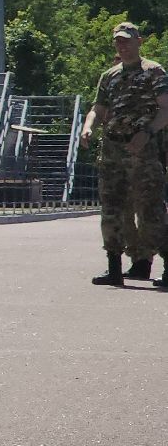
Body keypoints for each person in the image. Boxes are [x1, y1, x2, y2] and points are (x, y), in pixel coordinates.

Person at [80, 21, 168, 286]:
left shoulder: (153, 72)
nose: (123, 45)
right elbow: (98, 107)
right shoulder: (110, 75)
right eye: (119, 40)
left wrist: (148, 133)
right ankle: (114, 267)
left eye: (127, 40)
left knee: (150, 209)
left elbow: (166, 108)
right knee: (112, 209)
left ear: (139, 42)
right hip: (112, 149)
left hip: (143, 149)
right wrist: (88, 127)